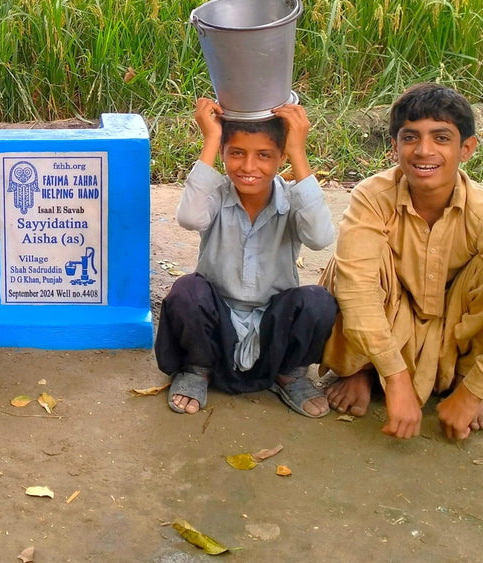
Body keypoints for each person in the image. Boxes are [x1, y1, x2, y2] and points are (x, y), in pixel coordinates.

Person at [155, 97, 338, 417]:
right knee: (187, 290)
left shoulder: (292, 200)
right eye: (236, 153)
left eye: (265, 155)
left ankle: (289, 374)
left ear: (281, 157)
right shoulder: (216, 195)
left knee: (318, 301)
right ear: (223, 153)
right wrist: (211, 138)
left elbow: (321, 238)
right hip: (214, 324)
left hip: (274, 326)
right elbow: (189, 218)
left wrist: (298, 151)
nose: (249, 167)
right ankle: (197, 369)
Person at [321, 83, 483, 440]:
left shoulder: (479, 210)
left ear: (466, 149)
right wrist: (395, 379)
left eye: (441, 138)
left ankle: (466, 386)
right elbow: (358, 289)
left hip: (449, 325)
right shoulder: (372, 197)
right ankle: (361, 370)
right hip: (393, 311)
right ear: (394, 147)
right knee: (346, 268)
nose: (424, 151)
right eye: (411, 138)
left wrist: (474, 393)